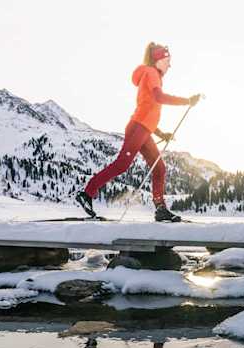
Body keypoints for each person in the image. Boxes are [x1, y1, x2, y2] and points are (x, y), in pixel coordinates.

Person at [77, 42, 202, 222]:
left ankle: (161, 209)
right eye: (167, 60)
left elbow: (148, 110)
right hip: (138, 128)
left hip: (143, 128)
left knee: (159, 167)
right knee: (122, 164)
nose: (170, 65)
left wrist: (160, 134)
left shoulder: (153, 75)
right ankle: (86, 193)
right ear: (157, 59)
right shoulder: (151, 73)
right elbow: (158, 98)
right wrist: (187, 101)